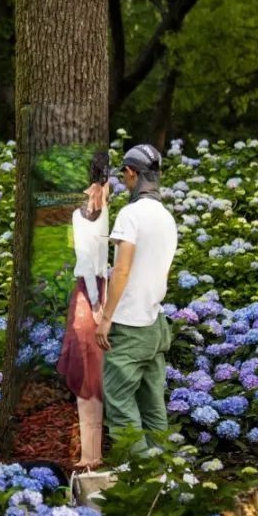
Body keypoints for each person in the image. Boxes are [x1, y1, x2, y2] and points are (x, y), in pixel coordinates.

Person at [94, 144, 177, 452]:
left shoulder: (131, 215)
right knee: (153, 405)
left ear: (131, 173)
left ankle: (142, 476)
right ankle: (165, 474)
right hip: (155, 323)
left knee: (118, 403)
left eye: (124, 175)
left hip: (129, 326)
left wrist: (105, 319)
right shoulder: (166, 217)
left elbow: (122, 270)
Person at [56, 171, 108, 469]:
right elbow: (87, 262)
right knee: (88, 369)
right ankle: (90, 454)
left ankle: (93, 453)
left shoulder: (104, 213)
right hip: (89, 296)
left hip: (97, 291)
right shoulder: (82, 216)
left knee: (94, 373)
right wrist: (98, 303)